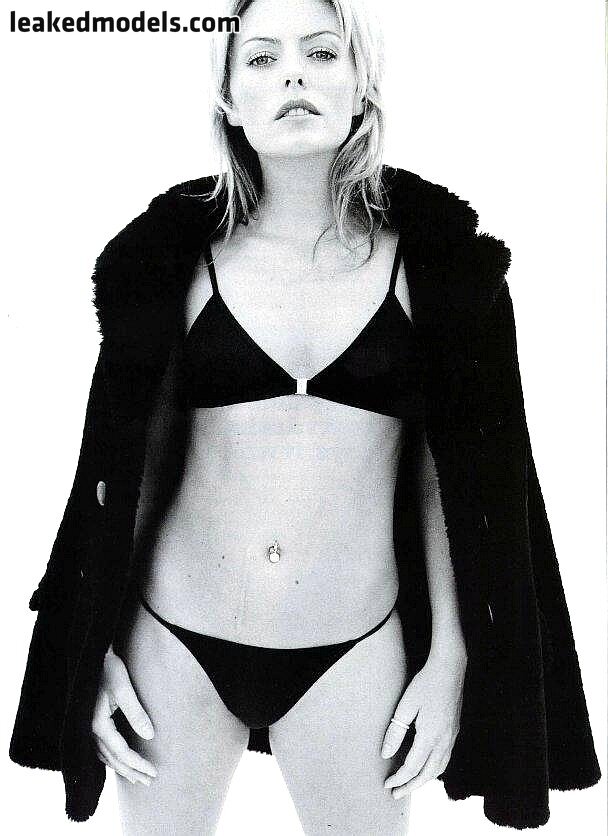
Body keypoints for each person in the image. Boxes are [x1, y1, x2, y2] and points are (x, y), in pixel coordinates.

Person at [9, 0, 601, 832]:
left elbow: (454, 481)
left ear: (362, 87)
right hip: (172, 640)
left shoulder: (439, 271)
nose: (293, 74)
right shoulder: (169, 265)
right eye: (262, 58)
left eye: (322, 54)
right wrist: (94, 645)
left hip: (357, 647)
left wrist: (450, 657)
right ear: (228, 97)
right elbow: (123, 469)